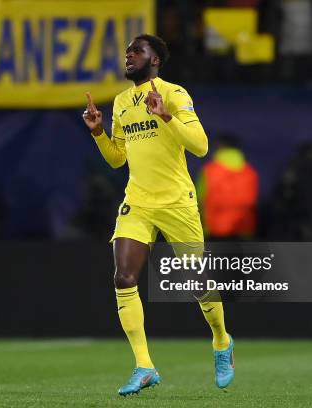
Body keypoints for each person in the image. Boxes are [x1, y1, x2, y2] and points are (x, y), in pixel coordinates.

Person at [82, 34, 234, 396]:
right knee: (123, 276)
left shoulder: (174, 94)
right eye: (127, 51)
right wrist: (99, 133)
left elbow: (201, 146)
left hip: (177, 201)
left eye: (137, 50)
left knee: (198, 285)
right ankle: (144, 366)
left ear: (155, 60)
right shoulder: (120, 102)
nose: (129, 55)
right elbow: (119, 158)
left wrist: (165, 115)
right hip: (138, 200)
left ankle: (221, 341)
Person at [197, 133, 258, 240]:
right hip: (243, 230)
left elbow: (199, 200)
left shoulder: (209, 171)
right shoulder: (250, 172)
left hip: (215, 231)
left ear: (220, 147)